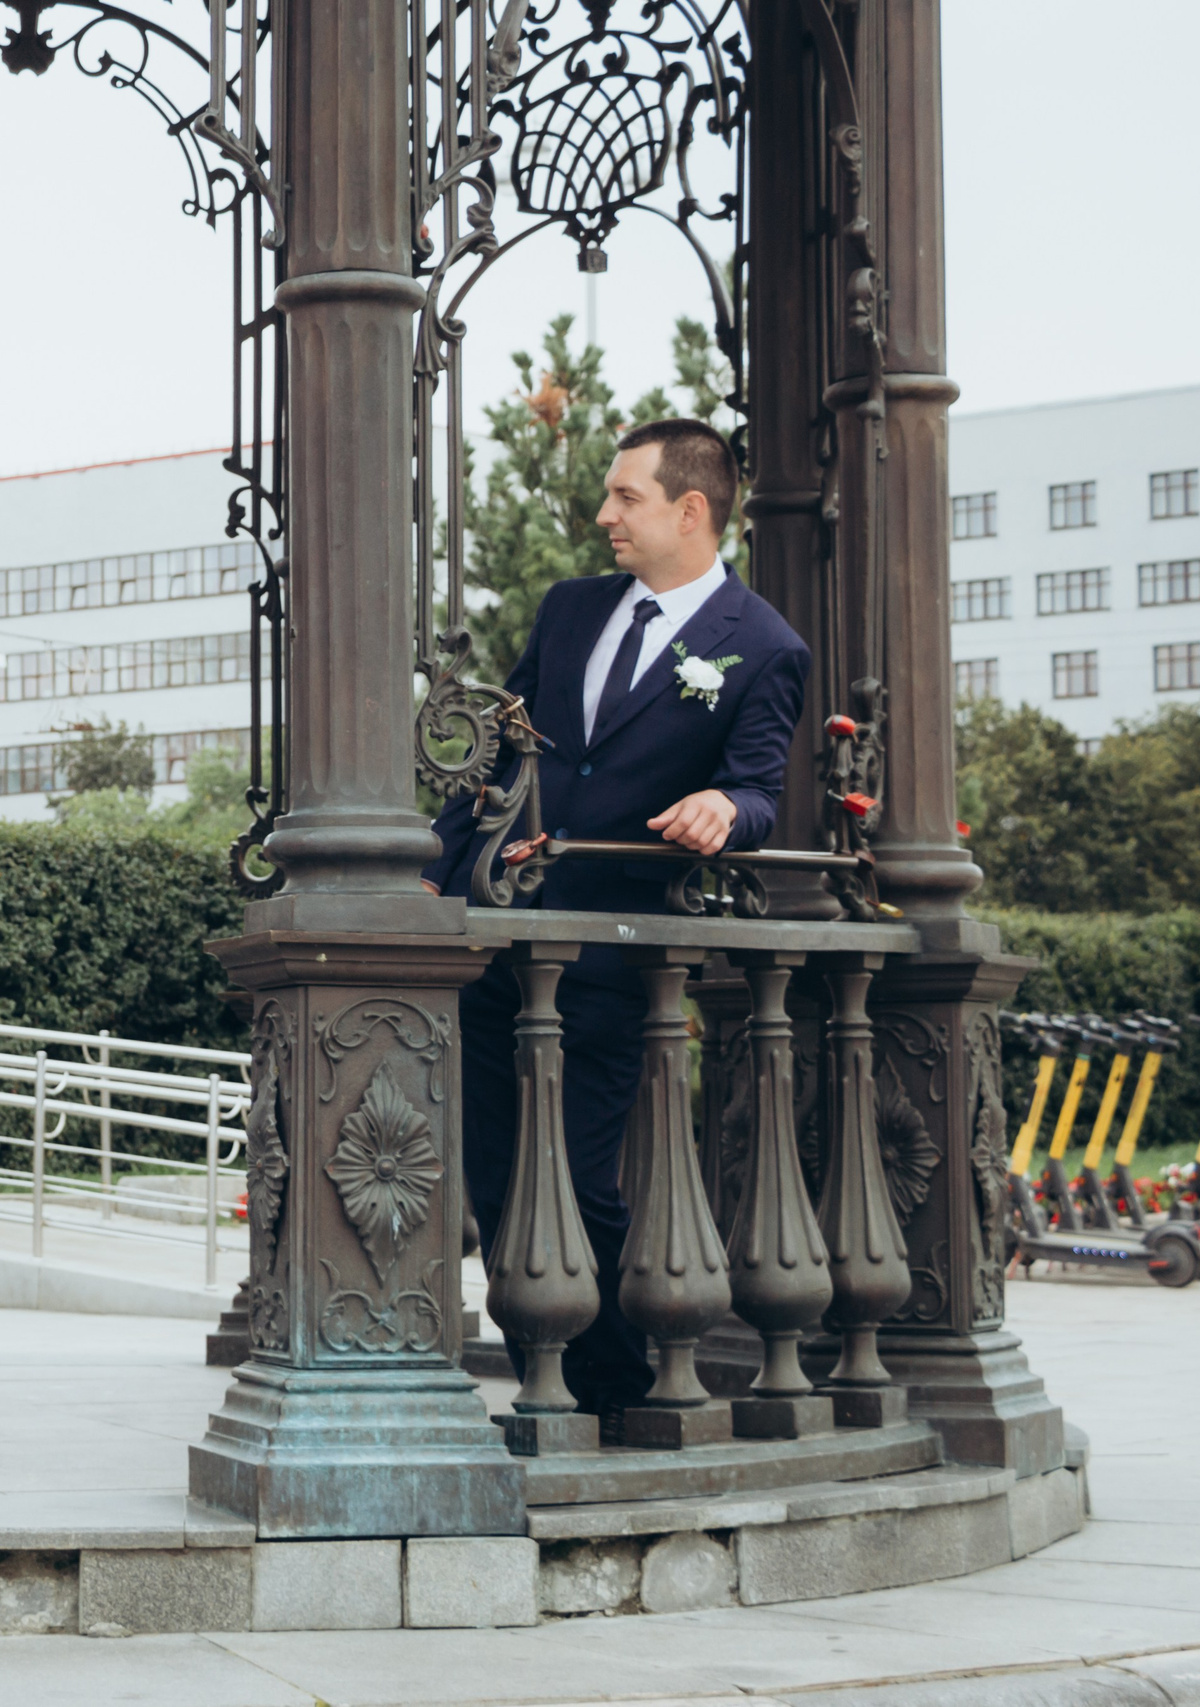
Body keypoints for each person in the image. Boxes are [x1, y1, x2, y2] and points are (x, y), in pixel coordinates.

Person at [425, 417, 810, 1421]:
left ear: (690, 509)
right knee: (496, 1173)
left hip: (609, 951)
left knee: (583, 1175)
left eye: (624, 497)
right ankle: (546, 1371)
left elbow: (758, 788)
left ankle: (609, 1382)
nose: (604, 515)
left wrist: (729, 810)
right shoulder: (568, 610)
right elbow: (498, 760)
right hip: (496, 931)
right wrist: (434, 865)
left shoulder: (764, 648)